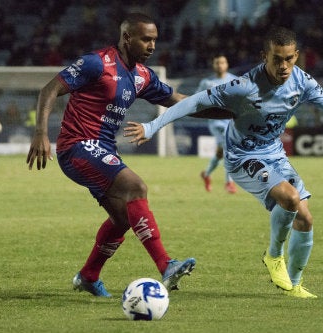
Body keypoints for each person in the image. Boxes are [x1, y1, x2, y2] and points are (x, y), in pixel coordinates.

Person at [125, 26, 323, 299]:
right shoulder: (244, 87)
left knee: (306, 219)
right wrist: (152, 126)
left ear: (296, 56)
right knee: (290, 198)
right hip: (243, 157)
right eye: (277, 59)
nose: (283, 66)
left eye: (289, 58)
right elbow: (192, 103)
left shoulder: (302, 81)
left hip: (274, 153)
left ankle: (293, 286)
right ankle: (274, 256)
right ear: (265, 56)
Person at [26, 13, 196, 297]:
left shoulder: (142, 75)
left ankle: (89, 276)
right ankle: (166, 265)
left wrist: (227, 110)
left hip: (103, 150)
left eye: (155, 39)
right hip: (76, 146)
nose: (152, 45)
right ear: (127, 37)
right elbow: (50, 89)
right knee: (135, 187)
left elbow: (178, 101)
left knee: (122, 218)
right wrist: (41, 132)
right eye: (146, 39)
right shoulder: (96, 62)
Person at [197, 54, 238, 194]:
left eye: (222, 62)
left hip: (232, 121)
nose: (220, 65)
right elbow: (197, 100)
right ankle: (229, 183)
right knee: (229, 148)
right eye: (217, 63)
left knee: (220, 153)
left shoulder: (234, 80)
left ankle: (206, 174)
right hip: (216, 123)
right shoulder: (207, 82)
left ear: (226, 64)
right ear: (213, 65)